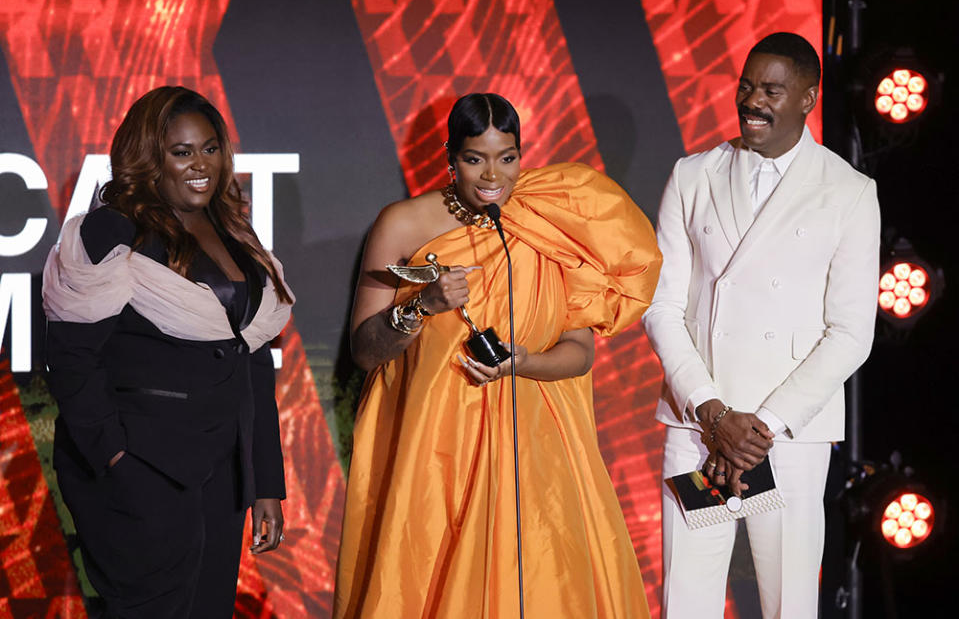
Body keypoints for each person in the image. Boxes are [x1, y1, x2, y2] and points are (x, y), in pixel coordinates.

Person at [333, 93, 661, 618]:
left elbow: (579, 351)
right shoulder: (402, 225)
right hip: (437, 448)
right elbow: (365, 351)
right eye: (474, 158)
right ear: (449, 157)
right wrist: (423, 305)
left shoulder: (547, 224)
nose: (493, 175)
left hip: (535, 446)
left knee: (542, 585)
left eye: (506, 158)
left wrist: (523, 363)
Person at [642, 32, 880, 617]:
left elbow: (851, 333)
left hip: (789, 438)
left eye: (771, 90)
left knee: (789, 603)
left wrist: (759, 429)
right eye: (746, 87)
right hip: (700, 429)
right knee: (687, 600)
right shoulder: (692, 175)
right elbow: (661, 306)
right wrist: (713, 412)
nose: (753, 102)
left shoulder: (848, 192)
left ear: (808, 98)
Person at [42, 86, 294, 618]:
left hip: (221, 473)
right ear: (149, 158)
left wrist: (264, 481)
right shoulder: (110, 229)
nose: (200, 164)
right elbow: (72, 361)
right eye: (182, 152)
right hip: (142, 468)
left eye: (210, 148)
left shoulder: (234, 230)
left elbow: (250, 358)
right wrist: (115, 459)